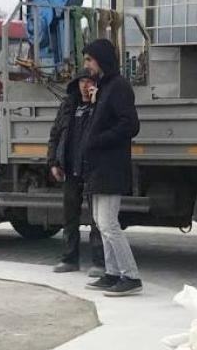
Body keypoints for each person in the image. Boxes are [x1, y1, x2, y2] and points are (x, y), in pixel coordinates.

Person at [81, 38, 142, 297]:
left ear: (101, 60)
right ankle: (112, 272)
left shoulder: (118, 87)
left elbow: (130, 125)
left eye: (89, 60)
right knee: (100, 221)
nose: (86, 66)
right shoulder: (104, 88)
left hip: (110, 166)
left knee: (108, 223)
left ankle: (130, 275)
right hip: (99, 166)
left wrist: (98, 140)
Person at [46, 71, 104, 274]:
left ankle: (99, 262)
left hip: (93, 169)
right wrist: (53, 162)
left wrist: (97, 102)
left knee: (97, 218)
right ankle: (70, 259)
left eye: (89, 81)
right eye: (81, 81)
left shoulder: (100, 106)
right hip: (71, 168)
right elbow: (55, 134)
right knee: (70, 216)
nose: (84, 85)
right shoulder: (69, 104)